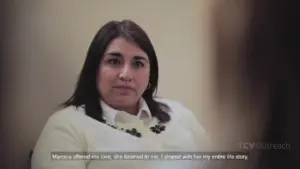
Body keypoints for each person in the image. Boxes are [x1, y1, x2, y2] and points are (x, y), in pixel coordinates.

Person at [31, 20, 209, 169]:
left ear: (150, 75)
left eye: (138, 64)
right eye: (114, 61)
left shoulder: (178, 113)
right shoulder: (67, 125)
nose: (126, 75)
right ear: (94, 69)